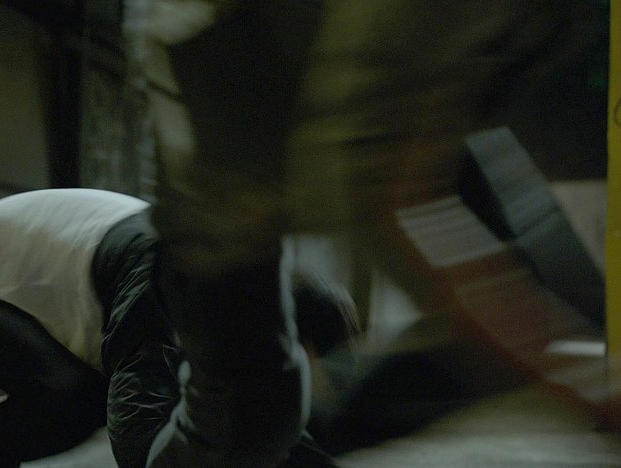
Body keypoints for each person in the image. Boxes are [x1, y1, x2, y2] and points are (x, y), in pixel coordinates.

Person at [123, 1, 609, 466]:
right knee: (246, 425)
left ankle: (325, 421)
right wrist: (572, 377)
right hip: (230, 174)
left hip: (376, 101)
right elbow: (389, 206)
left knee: (540, 294)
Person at [0, 188, 358, 467]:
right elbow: (139, 431)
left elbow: (268, 423)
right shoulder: (172, 279)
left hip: (7, 270)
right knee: (77, 400)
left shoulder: (232, 291)